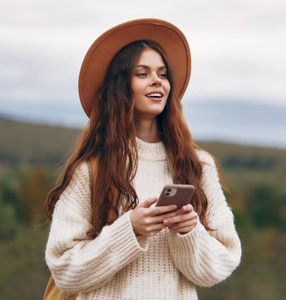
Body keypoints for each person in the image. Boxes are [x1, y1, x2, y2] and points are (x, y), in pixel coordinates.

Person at [44, 18, 241, 300]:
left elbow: (221, 264)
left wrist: (189, 232)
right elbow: (65, 270)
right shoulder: (89, 170)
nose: (157, 81)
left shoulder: (197, 165)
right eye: (142, 73)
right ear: (120, 86)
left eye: (163, 73)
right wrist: (130, 229)